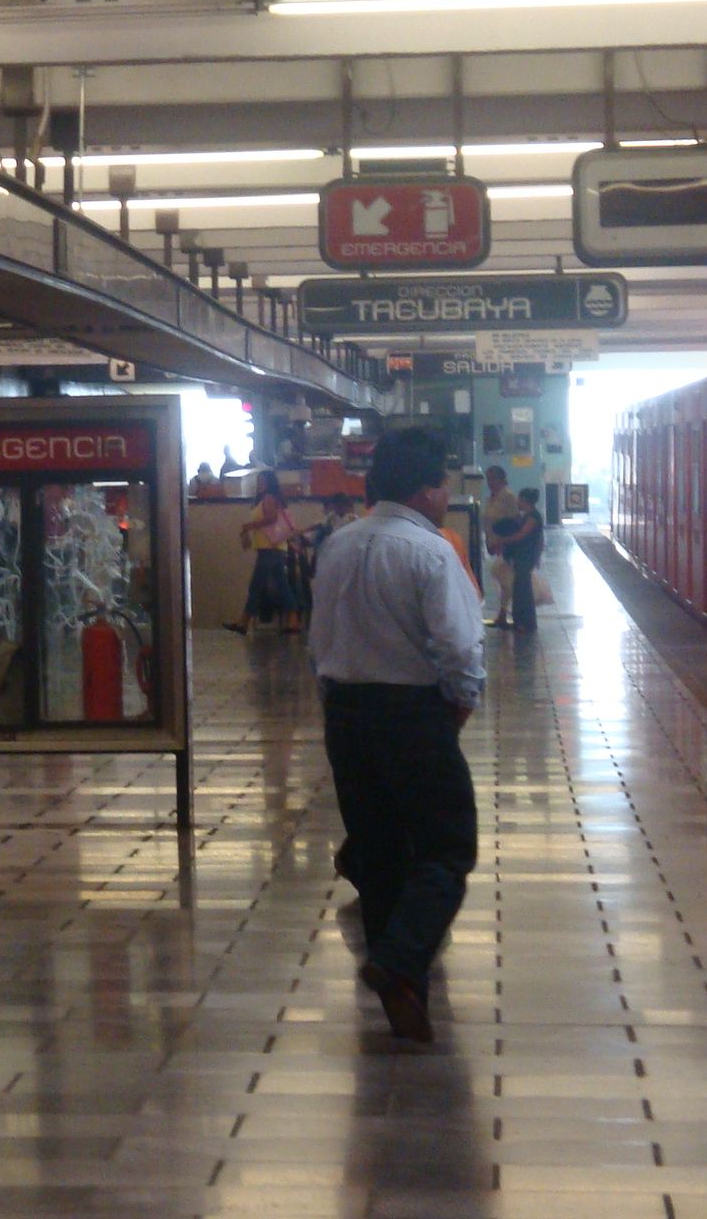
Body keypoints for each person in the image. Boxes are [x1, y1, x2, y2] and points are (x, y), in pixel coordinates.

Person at [308, 428, 484, 1046]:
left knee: (379, 851)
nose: (447, 495)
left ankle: (402, 988)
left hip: (345, 715)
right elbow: (460, 648)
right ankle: (401, 959)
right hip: (412, 714)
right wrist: (457, 708)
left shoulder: (337, 544)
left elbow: (319, 640)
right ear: (426, 489)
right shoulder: (431, 551)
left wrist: (334, 704)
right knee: (447, 848)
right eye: (444, 484)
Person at [235, 471, 302, 634]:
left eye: (262, 481)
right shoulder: (271, 498)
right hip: (275, 547)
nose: (259, 484)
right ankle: (293, 620)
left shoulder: (268, 498)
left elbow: (272, 518)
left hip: (269, 548)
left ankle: (244, 621)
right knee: (282, 585)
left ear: (269, 482)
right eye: (258, 481)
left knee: (256, 585)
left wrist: (249, 526)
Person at [483, 465, 544, 634]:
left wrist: (503, 540)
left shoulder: (511, 500)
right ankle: (514, 618)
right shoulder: (492, 499)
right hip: (508, 548)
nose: (489, 482)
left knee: (518, 586)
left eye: (492, 479)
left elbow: (519, 531)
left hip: (518, 551)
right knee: (514, 583)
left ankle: (521, 620)